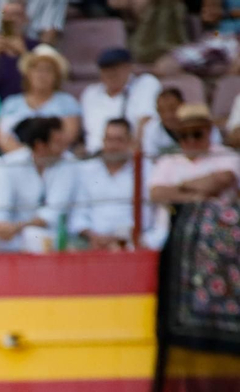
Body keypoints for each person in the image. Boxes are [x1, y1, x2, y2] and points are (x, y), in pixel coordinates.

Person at [0, 114, 76, 253]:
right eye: (57, 142)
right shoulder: (10, 163)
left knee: (32, 236)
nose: (63, 147)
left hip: (50, 233)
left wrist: (18, 227)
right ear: (40, 145)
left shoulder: (68, 164)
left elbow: (52, 213)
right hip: (14, 233)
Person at [74, 118, 165, 251]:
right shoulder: (88, 170)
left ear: (131, 142)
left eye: (119, 140)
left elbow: (149, 215)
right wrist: (92, 236)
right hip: (92, 244)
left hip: (132, 243)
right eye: (109, 139)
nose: (112, 146)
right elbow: (79, 214)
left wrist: (121, 239)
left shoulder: (147, 170)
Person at [149, 104, 240, 208]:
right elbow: (156, 193)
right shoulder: (168, 160)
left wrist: (181, 186)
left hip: (216, 222)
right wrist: (195, 197)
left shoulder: (226, 155)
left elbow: (221, 180)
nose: (191, 140)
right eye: (184, 135)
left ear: (208, 131)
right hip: (175, 223)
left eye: (196, 134)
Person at [0, 43, 77, 154]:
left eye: (48, 70)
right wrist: (26, 156)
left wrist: (42, 156)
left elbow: (68, 136)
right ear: (28, 73)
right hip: (17, 162)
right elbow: (3, 138)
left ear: (56, 76)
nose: (42, 75)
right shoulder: (11, 103)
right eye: (37, 69)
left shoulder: (67, 102)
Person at [79, 48, 159, 157]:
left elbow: (146, 120)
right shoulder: (90, 93)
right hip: (95, 157)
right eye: (105, 69)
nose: (110, 73)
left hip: (131, 157)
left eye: (115, 68)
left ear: (129, 67)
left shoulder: (145, 84)